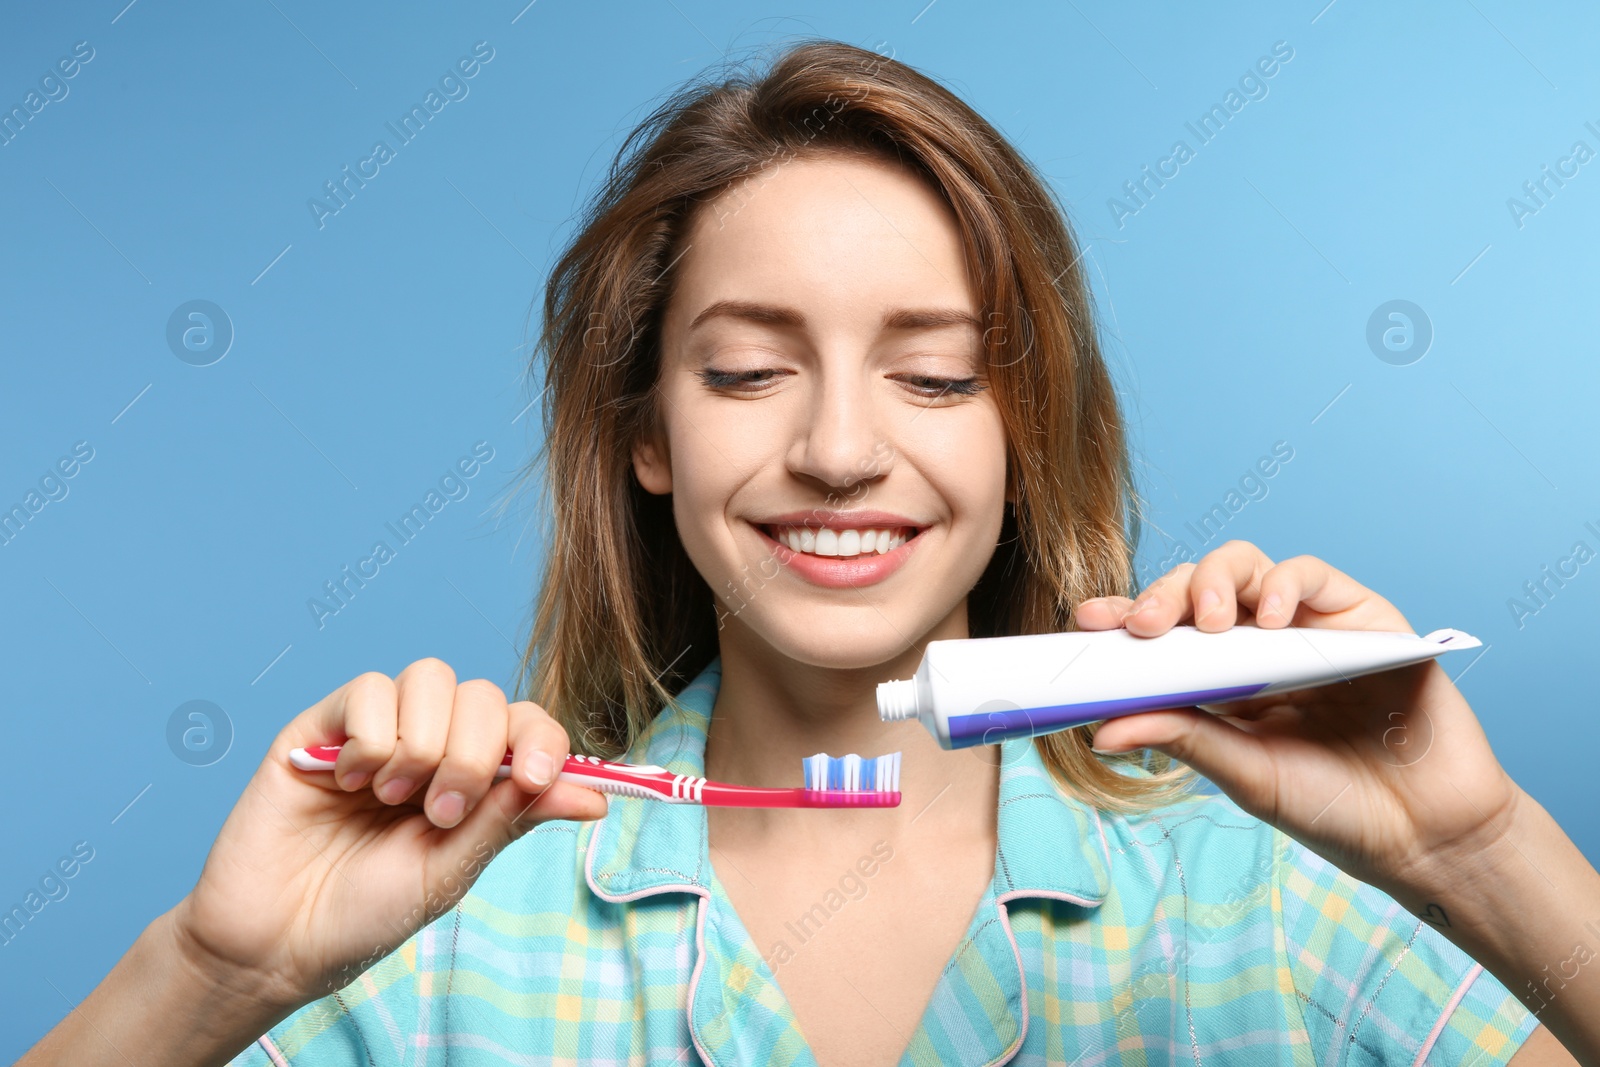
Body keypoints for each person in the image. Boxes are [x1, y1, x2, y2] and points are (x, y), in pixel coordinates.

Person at [21, 38, 1600, 1066]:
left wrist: (1478, 860)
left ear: (1022, 432)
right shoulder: (446, 943)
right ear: (646, 436)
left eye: (932, 372)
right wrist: (213, 972)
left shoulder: (1254, 906)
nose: (841, 447)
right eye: (748, 370)